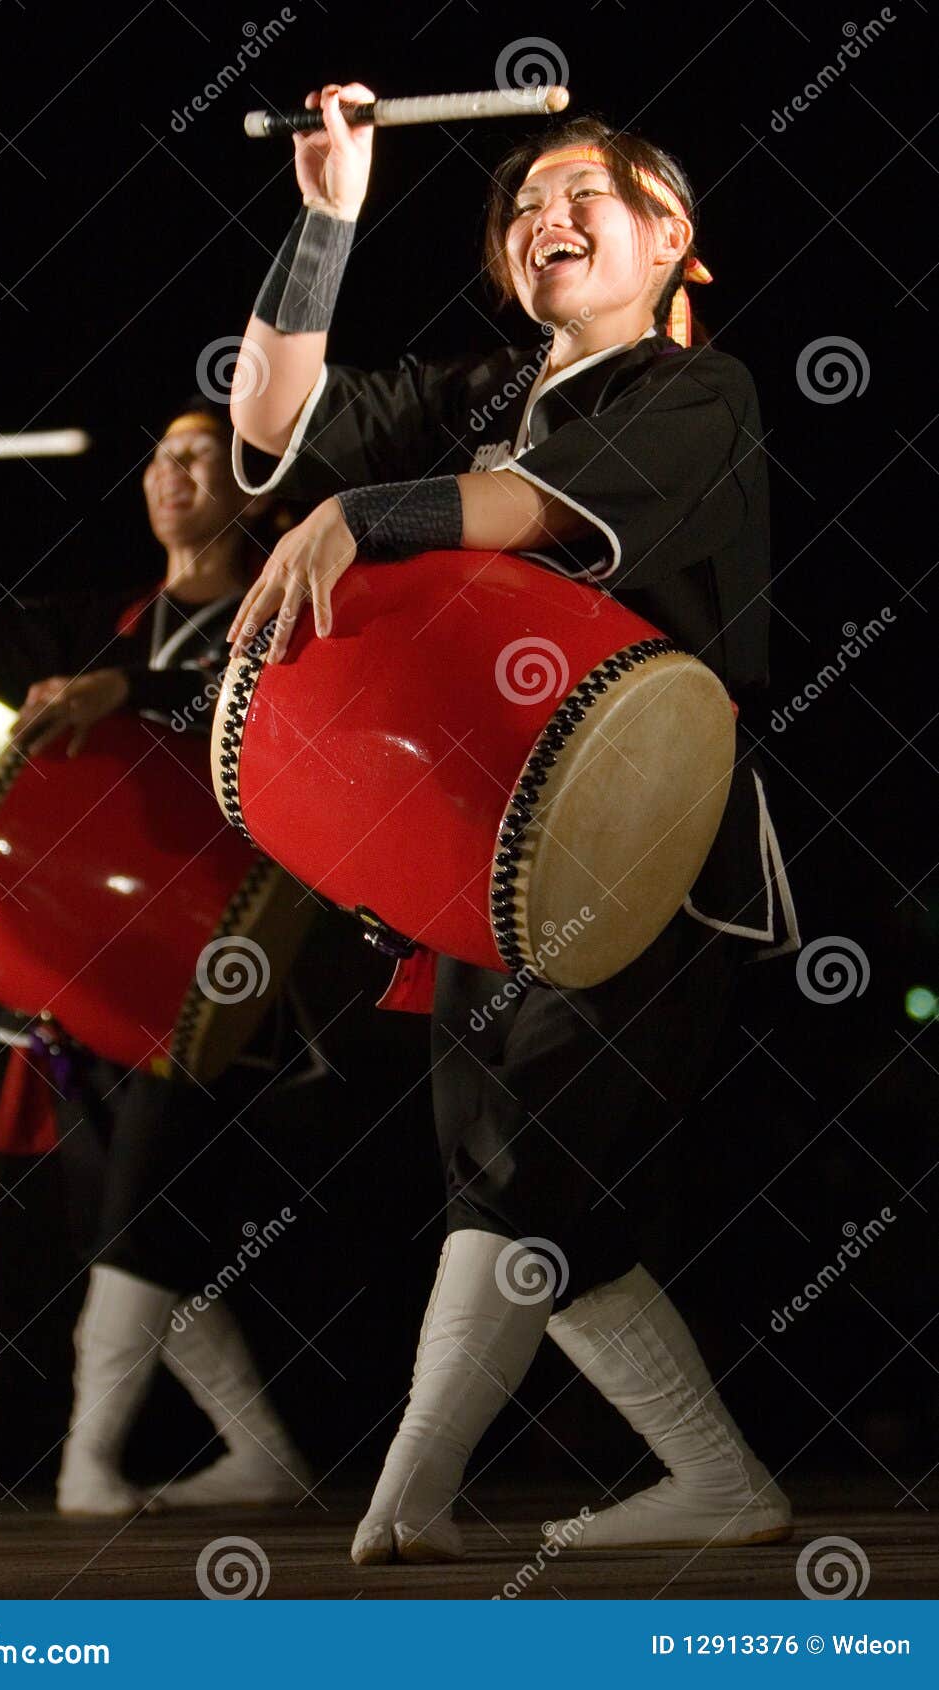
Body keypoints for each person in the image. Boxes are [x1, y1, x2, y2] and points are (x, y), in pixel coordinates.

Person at [227, 86, 801, 1562]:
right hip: (491, 850)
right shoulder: (486, 390)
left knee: (529, 1162)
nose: (542, 217)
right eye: (519, 206)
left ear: (669, 234)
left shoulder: (699, 392)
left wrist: (372, 517)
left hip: (657, 844)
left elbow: (526, 512)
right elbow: (277, 418)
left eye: (579, 194)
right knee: (524, 1180)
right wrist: (328, 210)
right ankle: (723, 1482)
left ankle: (405, 1497)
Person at [0, 406, 311, 1516]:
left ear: (254, 490)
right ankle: (263, 1452)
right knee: (138, 1226)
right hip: (92, 981)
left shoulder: (283, 616)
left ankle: (88, 1466)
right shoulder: (110, 620)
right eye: (158, 453)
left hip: (218, 970)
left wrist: (123, 692)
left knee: (140, 1215)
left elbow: (259, 710)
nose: (168, 470)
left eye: (196, 454)